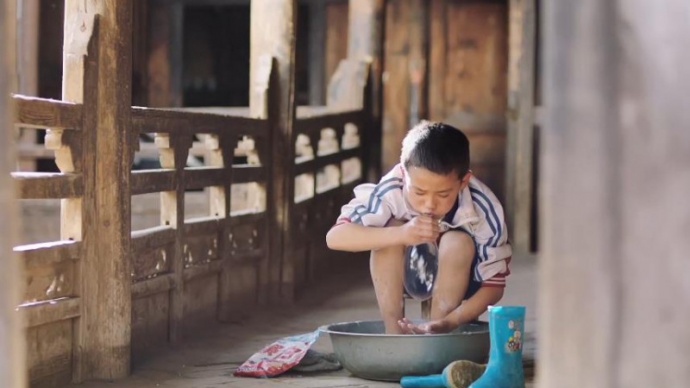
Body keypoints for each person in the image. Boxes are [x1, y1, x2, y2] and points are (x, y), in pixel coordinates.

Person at [326, 121, 511, 334]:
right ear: (404, 175)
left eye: (443, 195)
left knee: (457, 242)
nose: (429, 204)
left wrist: (451, 321)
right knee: (390, 229)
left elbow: (494, 286)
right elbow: (335, 238)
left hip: (464, 282)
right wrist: (402, 234)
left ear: (463, 182)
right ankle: (393, 331)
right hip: (404, 276)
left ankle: (436, 333)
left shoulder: (483, 208)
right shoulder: (391, 189)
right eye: (419, 192)